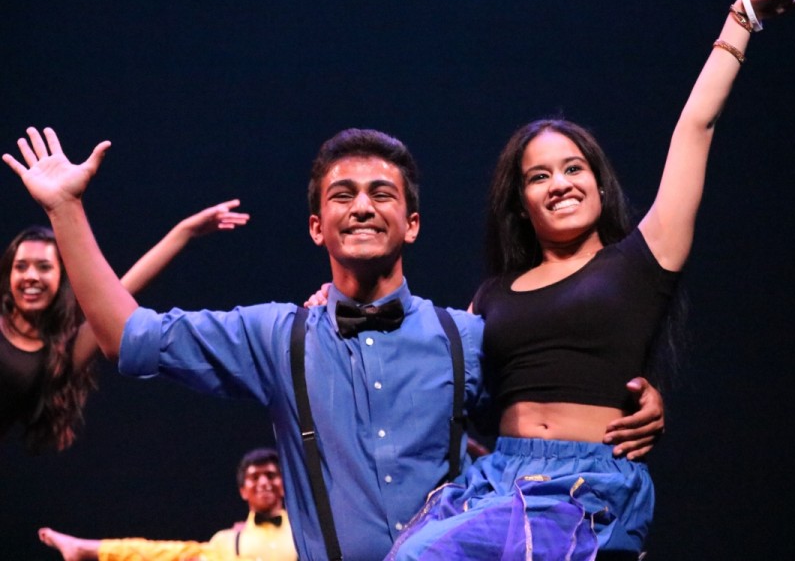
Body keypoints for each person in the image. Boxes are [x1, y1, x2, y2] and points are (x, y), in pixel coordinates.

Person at [3, 126, 664, 561]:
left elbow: (548, 408)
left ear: (412, 223)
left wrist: (633, 406)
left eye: (382, 194)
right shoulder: (275, 335)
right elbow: (127, 336)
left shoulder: (466, 336)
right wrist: (65, 210)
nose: (362, 206)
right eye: (342, 195)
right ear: (318, 227)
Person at [384, 0, 795, 560]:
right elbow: (443, 380)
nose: (560, 184)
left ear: (598, 182)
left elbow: (695, 128)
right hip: (496, 482)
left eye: (574, 169)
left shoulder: (642, 261)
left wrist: (742, 17)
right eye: (538, 177)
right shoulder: (493, 294)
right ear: (521, 205)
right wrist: (332, 306)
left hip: (585, 486)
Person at [0, 199, 249, 454]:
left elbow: (122, 290)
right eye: (21, 267)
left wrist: (184, 232)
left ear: (61, 278)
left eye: (44, 267)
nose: (31, 275)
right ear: (9, 276)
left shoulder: (60, 357)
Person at [37, 447, 297, 561]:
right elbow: (156, 554)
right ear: (243, 490)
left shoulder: (306, 529)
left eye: (271, 475)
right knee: (165, 553)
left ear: (284, 484)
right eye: (254, 477)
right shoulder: (228, 540)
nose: (263, 482)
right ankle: (85, 548)